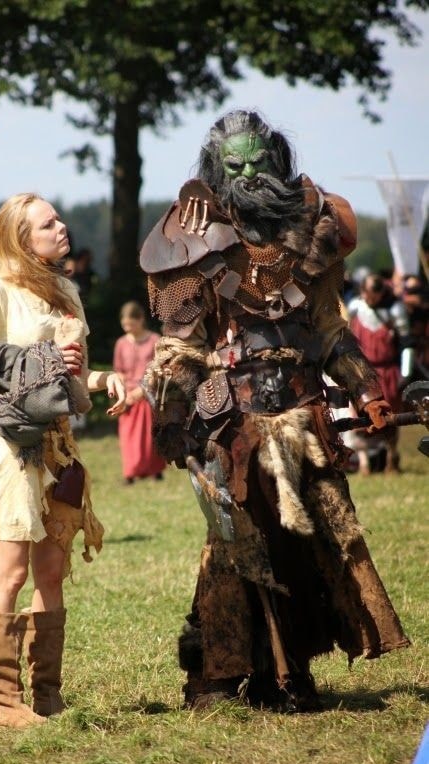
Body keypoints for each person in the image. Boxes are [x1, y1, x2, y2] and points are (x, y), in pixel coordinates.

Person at [139, 109, 409, 711]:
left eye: (258, 160)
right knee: (235, 549)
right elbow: (182, 349)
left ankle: (291, 672)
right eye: (235, 164)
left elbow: (330, 331)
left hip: (304, 414)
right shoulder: (190, 239)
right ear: (216, 169)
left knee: (308, 542)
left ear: (278, 159)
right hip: (232, 423)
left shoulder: (314, 231)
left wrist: (367, 391)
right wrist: (172, 419)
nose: (248, 173)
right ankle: (219, 676)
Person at [0, 193, 125, 728]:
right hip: (12, 444)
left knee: (51, 569)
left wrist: (104, 378)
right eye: (49, 224)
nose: (62, 227)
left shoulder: (66, 290)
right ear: (22, 238)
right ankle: (5, 703)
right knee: (12, 570)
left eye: (59, 220)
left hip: (59, 443)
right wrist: (35, 357)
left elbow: (73, 375)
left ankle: (47, 695)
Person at [348, 273, 414, 473]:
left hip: (387, 371)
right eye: (365, 293)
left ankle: (391, 459)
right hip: (362, 372)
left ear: (379, 293)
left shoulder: (395, 309)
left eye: (371, 295)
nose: (367, 298)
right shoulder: (356, 307)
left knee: (390, 418)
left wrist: (406, 373)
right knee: (358, 419)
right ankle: (364, 464)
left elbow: (407, 343)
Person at [113, 301, 166, 484]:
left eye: (131, 324)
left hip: (149, 394)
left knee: (149, 435)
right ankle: (130, 473)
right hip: (127, 396)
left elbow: (159, 369)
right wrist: (124, 393)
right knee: (128, 436)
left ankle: (154, 470)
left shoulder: (155, 340)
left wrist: (142, 390)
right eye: (125, 325)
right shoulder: (121, 343)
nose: (128, 328)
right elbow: (119, 370)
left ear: (141, 319)